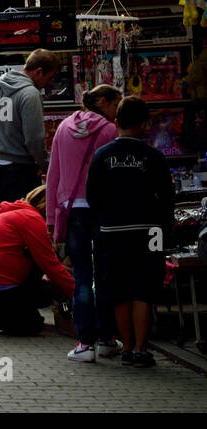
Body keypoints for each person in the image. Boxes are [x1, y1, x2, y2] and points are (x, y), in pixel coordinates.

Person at [86, 96, 175, 369]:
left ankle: (126, 347)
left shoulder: (101, 156)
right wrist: (163, 232)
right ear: (145, 124)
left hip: (111, 232)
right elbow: (167, 198)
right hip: (148, 233)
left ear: (116, 122)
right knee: (143, 290)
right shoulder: (154, 157)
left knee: (119, 291)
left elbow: (92, 197)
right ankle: (140, 348)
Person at [45, 84, 121, 363]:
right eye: (116, 104)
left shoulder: (64, 127)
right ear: (104, 102)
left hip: (72, 211)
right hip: (101, 211)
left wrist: (51, 220)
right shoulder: (111, 131)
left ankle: (84, 343)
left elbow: (53, 175)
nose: (118, 110)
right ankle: (106, 339)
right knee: (104, 277)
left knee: (80, 278)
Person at [0, 185, 75, 337]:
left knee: (35, 312)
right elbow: (51, 267)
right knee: (33, 320)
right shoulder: (31, 219)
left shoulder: (16, 214)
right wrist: (77, 293)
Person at [0, 48, 60, 206]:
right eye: (49, 77)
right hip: (21, 170)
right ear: (39, 72)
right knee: (24, 222)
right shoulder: (30, 93)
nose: (49, 83)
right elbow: (33, 139)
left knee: (4, 222)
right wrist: (45, 166)